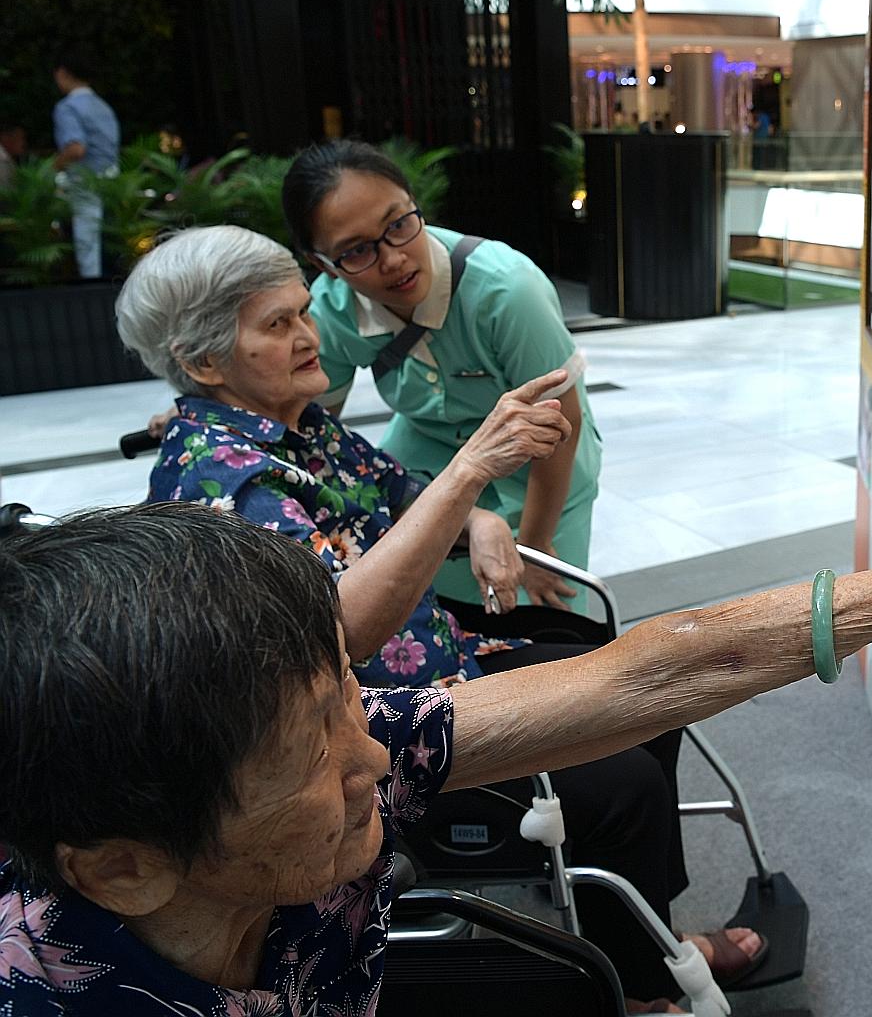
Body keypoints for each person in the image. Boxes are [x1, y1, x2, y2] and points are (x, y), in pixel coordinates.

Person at [0, 428, 872, 1014]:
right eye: (315, 750)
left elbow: (652, 672)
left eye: (344, 708)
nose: (378, 753)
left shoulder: (308, 767)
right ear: (124, 866)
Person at [115, 225, 760, 1005]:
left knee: (644, 690)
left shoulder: (302, 428)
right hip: (362, 727)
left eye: (302, 314)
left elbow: (398, 489)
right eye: (277, 325)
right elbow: (336, 632)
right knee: (624, 785)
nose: (309, 335)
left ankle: (640, 925)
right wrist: (474, 471)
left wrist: (481, 519)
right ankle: (649, 982)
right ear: (203, 363)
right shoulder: (222, 479)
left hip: (442, 653)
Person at [282, 140, 598, 615]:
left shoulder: (507, 290)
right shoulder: (331, 310)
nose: (393, 259)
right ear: (321, 263)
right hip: (427, 451)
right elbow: (307, 425)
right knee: (430, 607)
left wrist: (533, 545)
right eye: (356, 250)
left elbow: (560, 421)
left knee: (547, 617)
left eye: (398, 224)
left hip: (542, 461)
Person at [51, 52, 120, 279]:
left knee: (87, 247)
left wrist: (51, 168)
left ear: (62, 73)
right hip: (112, 182)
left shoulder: (68, 108)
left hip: (85, 182)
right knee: (110, 246)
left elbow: (76, 148)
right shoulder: (103, 107)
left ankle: (90, 294)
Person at [0, 125, 25, 190]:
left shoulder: (6, 158)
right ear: (6, 138)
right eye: (20, 138)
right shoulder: (2, 160)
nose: (23, 143)